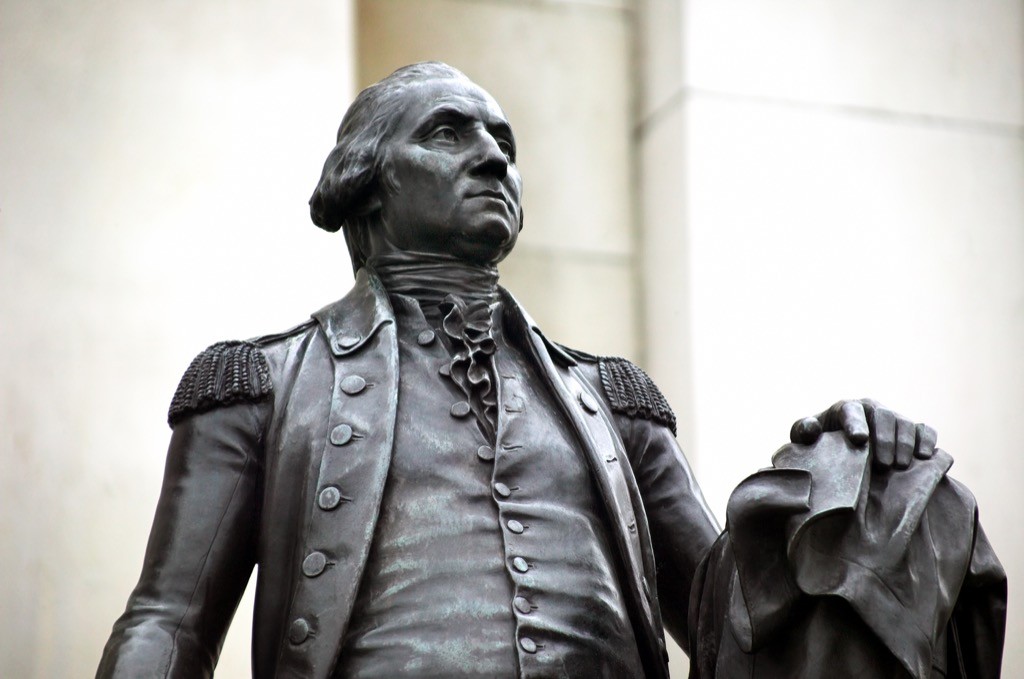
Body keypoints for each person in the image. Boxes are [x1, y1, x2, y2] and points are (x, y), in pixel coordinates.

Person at [96, 63, 999, 679]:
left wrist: (843, 476)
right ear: (365, 180)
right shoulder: (259, 383)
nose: (493, 155)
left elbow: (729, 622)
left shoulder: (614, 403)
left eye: (505, 141)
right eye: (449, 133)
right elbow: (168, 620)